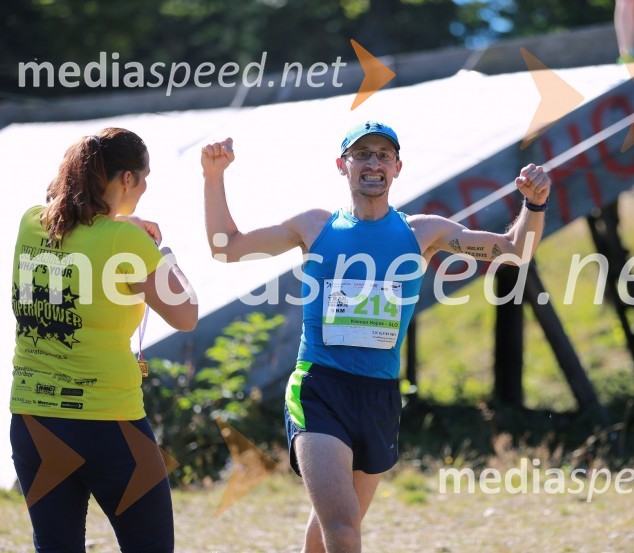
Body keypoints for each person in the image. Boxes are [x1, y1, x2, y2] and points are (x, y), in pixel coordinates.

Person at [201, 120, 551, 553]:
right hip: (319, 389)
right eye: (362, 154)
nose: (373, 163)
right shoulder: (313, 226)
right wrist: (213, 176)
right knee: (343, 527)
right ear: (341, 165)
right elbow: (226, 247)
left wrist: (533, 205)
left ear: (398, 167)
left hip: (379, 396)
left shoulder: (423, 233)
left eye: (383, 155)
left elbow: (514, 250)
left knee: (327, 526)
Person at [9, 127, 198, 552]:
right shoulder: (127, 242)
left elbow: (81, 232)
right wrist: (162, 254)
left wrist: (123, 225)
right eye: (144, 177)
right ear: (126, 178)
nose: (146, 188)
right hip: (108, 423)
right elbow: (186, 314)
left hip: (32, 419)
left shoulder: (29, 223)